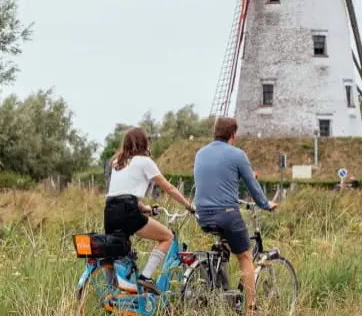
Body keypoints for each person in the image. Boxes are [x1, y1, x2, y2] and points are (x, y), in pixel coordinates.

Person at [193, 118, 278, 315]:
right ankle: (251, 309)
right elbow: (253, 188)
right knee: (246, 256)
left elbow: (215, 178)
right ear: (233, 134)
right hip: (227, 213)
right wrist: (266, 204)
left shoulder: (200, 153)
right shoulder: (238, 154)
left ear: (215, 132)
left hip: (202, 215)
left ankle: (224, 295)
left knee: (226, 247)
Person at [105, 127, 195, 294]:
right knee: (167, 236)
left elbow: (122, 193)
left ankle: (126, 294)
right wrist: (189, 206)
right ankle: (146, 277)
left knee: (124, 255)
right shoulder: (144, 162)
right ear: (143, 142)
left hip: (110, 212)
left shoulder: (117, 162)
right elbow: (169, 188)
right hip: (128, 211)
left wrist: (145, 208)